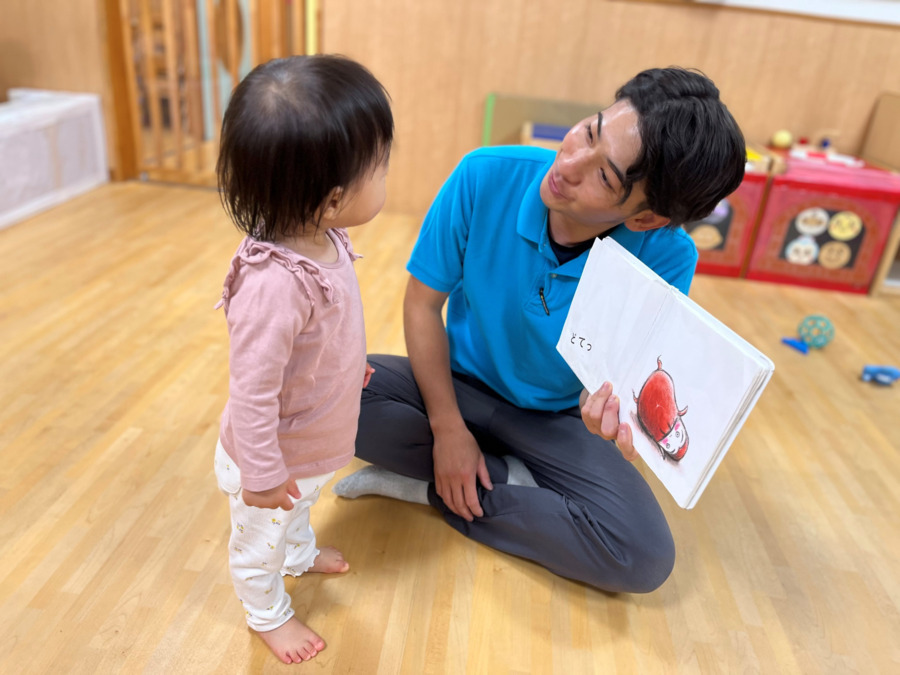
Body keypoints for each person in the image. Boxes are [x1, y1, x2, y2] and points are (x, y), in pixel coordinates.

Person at [333, 67, 745, 593]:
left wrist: (612, 419)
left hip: (558, 419)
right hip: (454, 386)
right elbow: (421, 305)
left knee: (642, 557)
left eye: (604, 177)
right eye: (590, 131)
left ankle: (438, 489)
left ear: (645, 219)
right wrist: (447, 429)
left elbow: (624, 380)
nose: (569, 163)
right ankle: (507, 483)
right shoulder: (484, 173)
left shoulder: (667, 256)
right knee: (328, 395)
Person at [212, 54, 392, 664]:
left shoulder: (325, 237)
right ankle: (267, 611)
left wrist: (347, 368)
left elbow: (328, 331)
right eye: (381, 166)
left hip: (311, 443)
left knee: (304, 506)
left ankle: (297, 554)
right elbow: (253, 392)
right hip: (272, 462)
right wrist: (261, 475)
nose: (387, 174)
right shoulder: (274, 284)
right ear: (333, 198)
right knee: (258, 541)